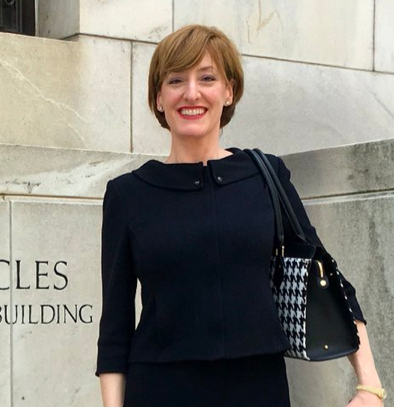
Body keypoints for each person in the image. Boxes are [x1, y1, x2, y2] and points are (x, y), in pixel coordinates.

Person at [95, 25, 386, 407]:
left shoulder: (266, 176)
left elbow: (327, 280)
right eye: (176, 80)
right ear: (159, 98)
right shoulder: (128, 194)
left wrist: (369, 385)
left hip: (259, 389)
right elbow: (115, 328)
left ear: (229, 91)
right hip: (161, 391)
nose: (192, 93)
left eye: (207, 78)